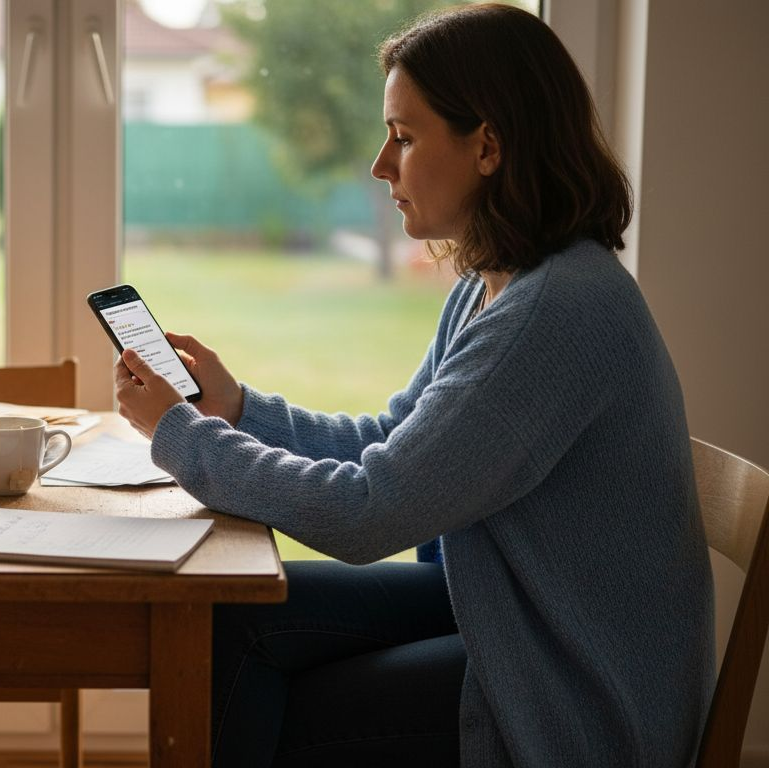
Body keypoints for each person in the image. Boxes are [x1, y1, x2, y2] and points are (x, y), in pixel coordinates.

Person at [112, 4, 714, 767]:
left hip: (572, 698)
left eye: (403, 135)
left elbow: (369, 513)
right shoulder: (500, 284)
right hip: (514, 618)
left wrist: (182, 433)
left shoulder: (557, 312)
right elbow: (393, 445)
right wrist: (236, 410)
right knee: (228, 617)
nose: (379, 164)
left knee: (271, 699)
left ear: (488, 146)